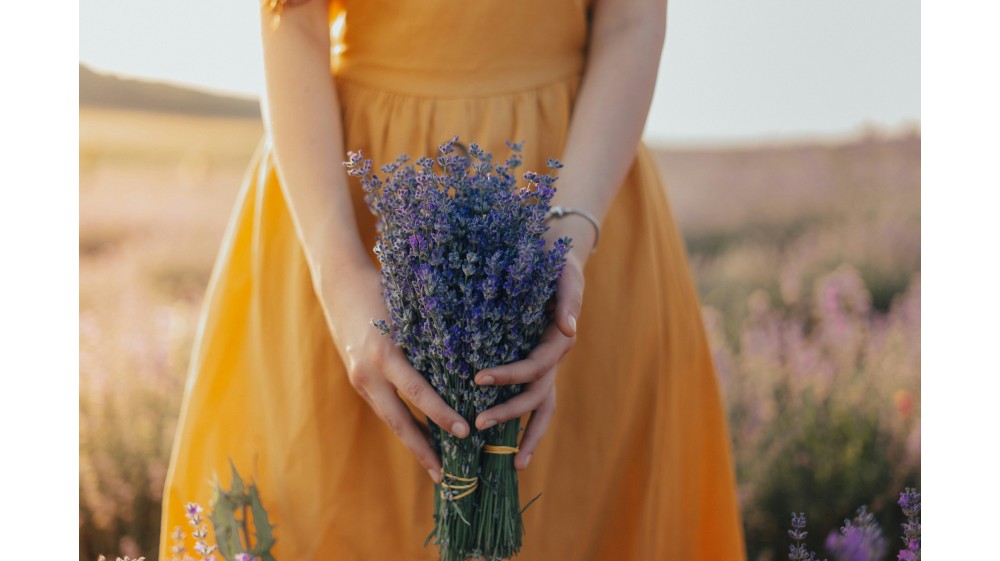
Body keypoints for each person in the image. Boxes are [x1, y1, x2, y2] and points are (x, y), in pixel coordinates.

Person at [158, 0, 746, 559]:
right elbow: (293, 21)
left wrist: (563, 248)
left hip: (574, 183)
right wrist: (339, 276)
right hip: (344, 203)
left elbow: (632, 20)